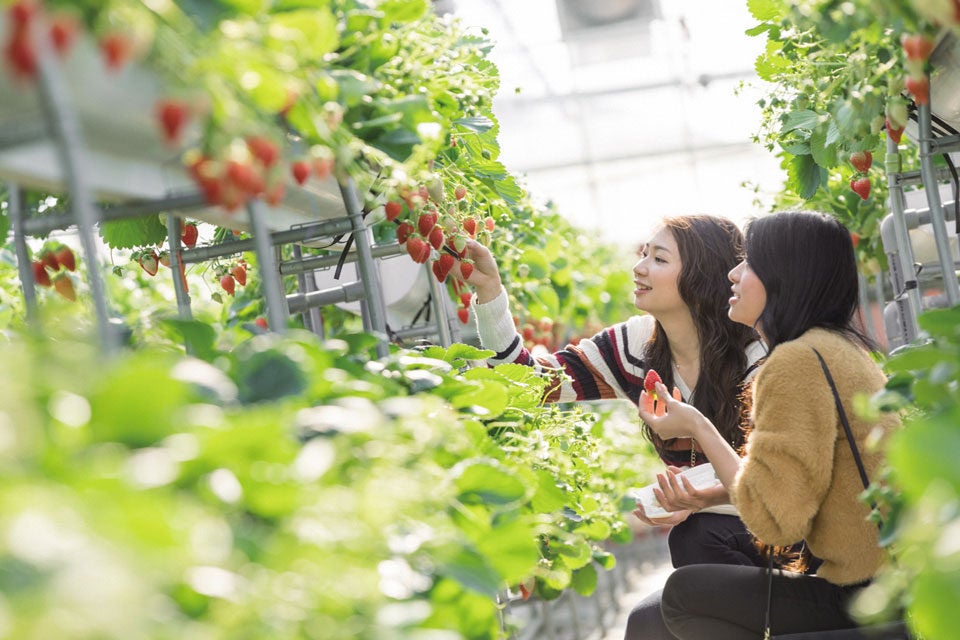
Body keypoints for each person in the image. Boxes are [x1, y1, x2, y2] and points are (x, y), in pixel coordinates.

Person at [457, 215, 766, 638]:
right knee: (646, 621)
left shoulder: (758, 351)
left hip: (779, 531)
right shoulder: (636, 347)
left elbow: (772, 474)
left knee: (697, 537)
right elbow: (529, 385)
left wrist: (698, 496)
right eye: (643, 254)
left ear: (700, 276)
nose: (639, 267)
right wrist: (490, 293)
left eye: (658, 258)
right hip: (716, 533)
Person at [639, 211, 900, 639]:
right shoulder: (835, 348)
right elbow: (808, 483)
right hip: (889, 582)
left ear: (784, 277)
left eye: (749, 263)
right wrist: (708, 498)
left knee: (684, 594)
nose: (733, 273)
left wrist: (699, 427)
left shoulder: (795, 363)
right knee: (653, 610)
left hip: (868, 598)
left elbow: (776, 522)